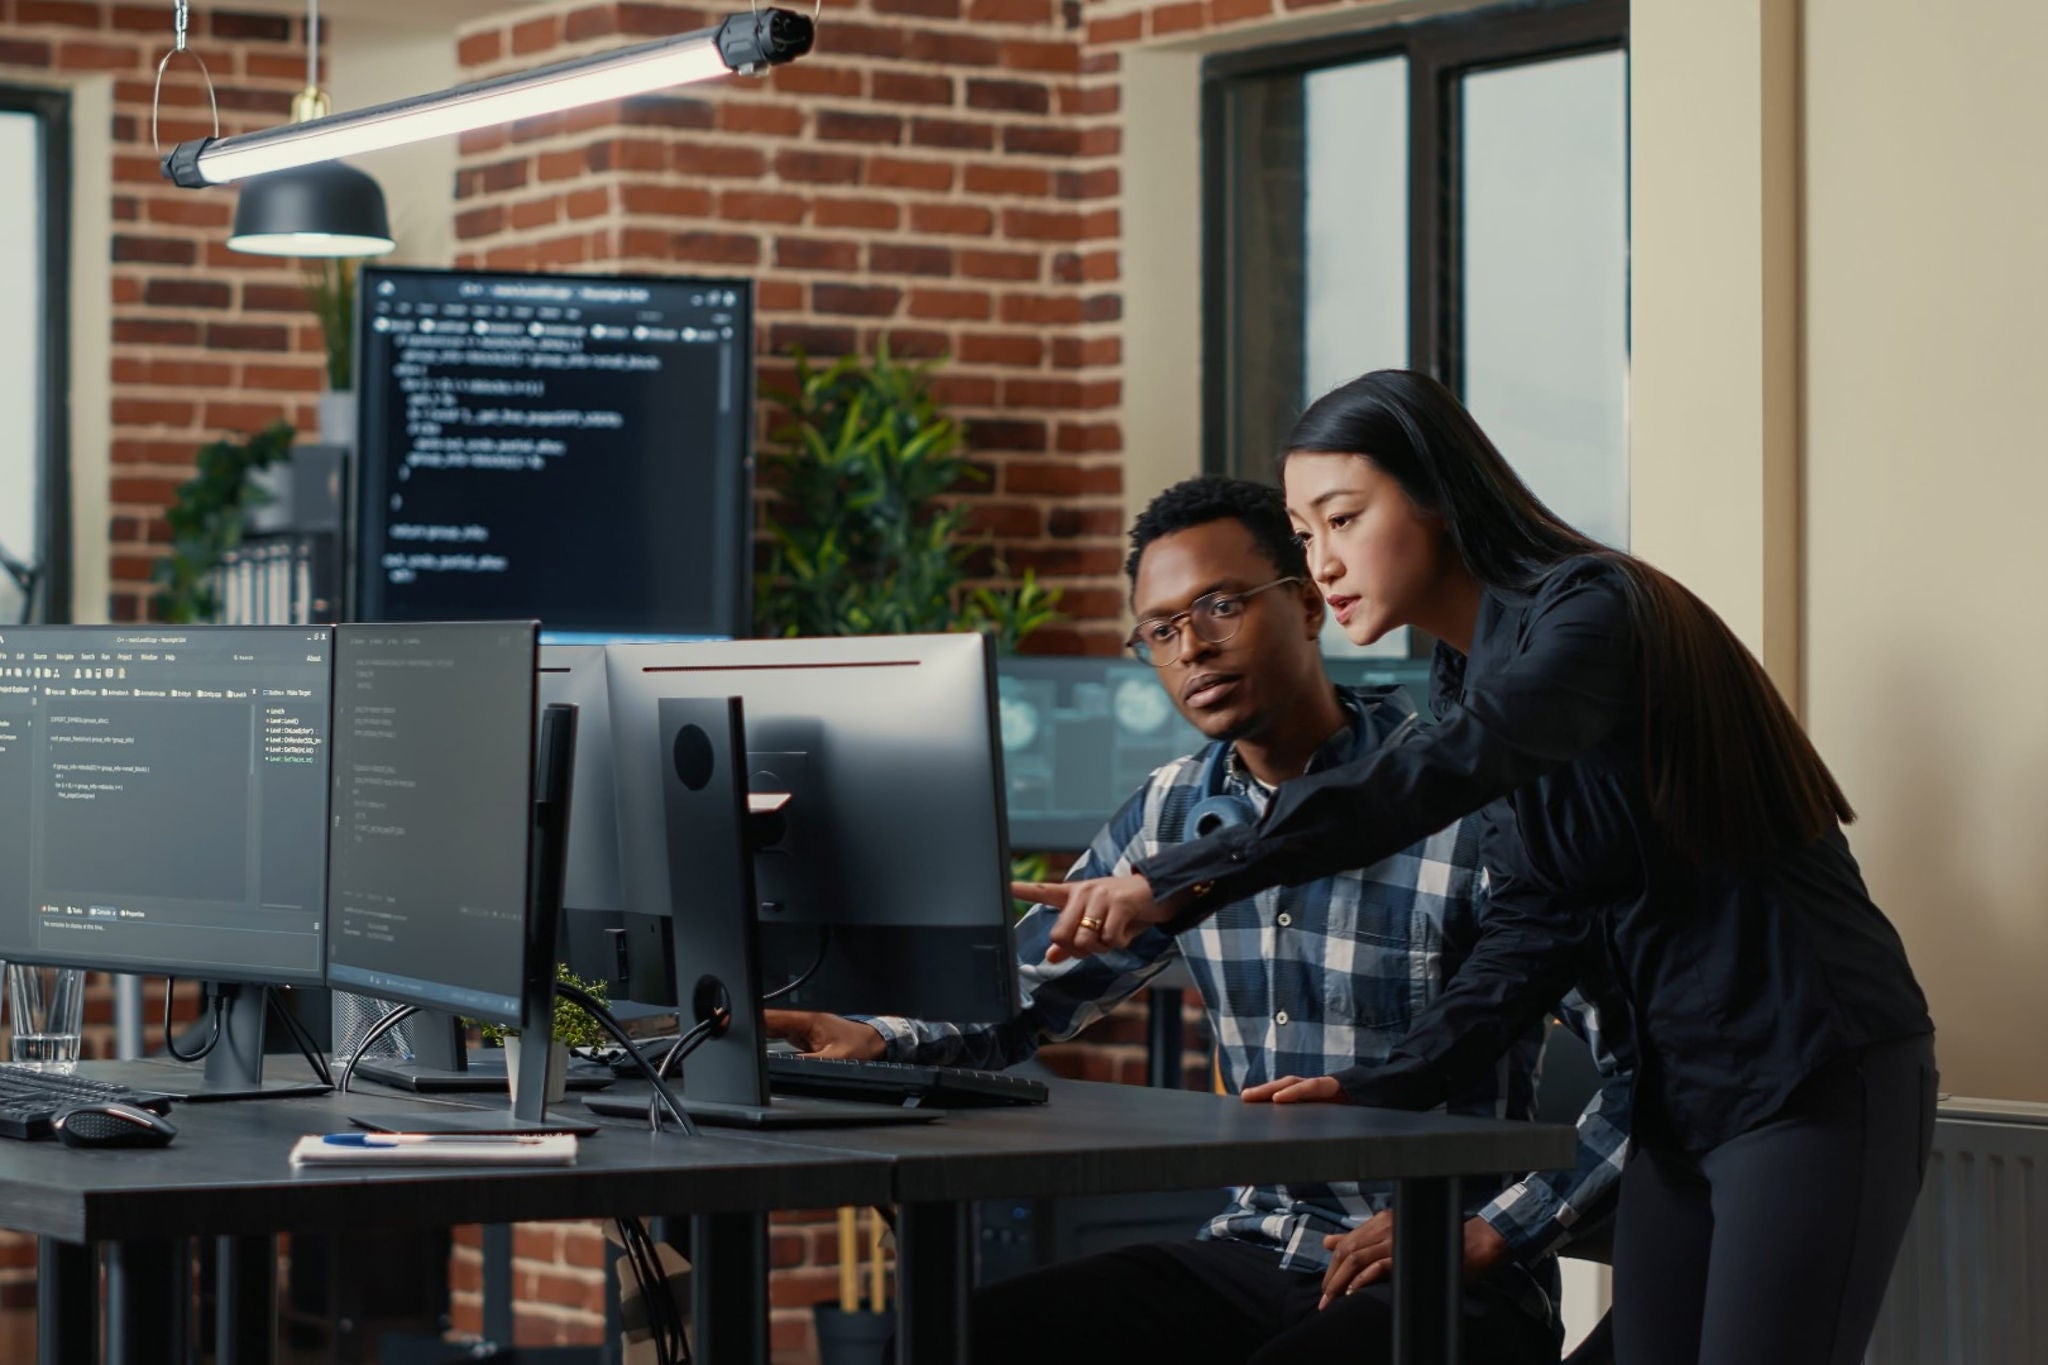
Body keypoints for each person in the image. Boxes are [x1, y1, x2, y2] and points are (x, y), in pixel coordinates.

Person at [1032, 372, 1936, 1365]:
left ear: (1438, 495)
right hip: (1677, 1104)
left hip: (1809, 1067)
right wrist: (1390, 1081)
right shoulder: (1475, 669)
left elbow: (1421, 780)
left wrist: (1176, 876)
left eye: (1341, 519)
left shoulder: (1592, 615)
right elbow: (1534, 925)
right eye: (1302, 535)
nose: (1321, 564)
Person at [767, 476, 1629, 1365]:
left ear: (1306, 603)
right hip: (1258, 1248)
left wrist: (1494, 1231)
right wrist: (873, 1039)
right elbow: (1022, 1001)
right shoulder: (1171, 813)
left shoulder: (1463, 798)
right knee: (954, 1340)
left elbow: (1641, 1070)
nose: (1193, 649)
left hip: (1448, 1275)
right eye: (1163, 630)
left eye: (1220, 606)